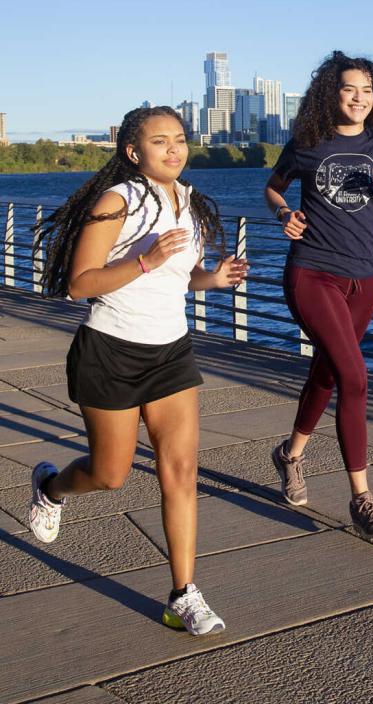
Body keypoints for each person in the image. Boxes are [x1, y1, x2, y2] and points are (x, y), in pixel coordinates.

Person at [27, 105, 248, 636]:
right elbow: (80, 283)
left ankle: (183, 595)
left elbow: (175, 278)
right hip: (111, 352)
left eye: (179, 139)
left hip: (170, 351)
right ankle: (52, 487)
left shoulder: (186, 202)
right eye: (159, 141)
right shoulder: (117, 200)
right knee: (111, 474)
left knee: (181, 473)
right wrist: (144, 260)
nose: (173, 149)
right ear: (133, 152)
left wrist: (209, 280)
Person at [264, 51, 373, 540]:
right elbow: (272, 188)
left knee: (329, 371)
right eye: (350, 89)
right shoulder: (308, 143)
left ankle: (289, 454)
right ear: (332, 93)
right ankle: (362, 499)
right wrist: (283, 213)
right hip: (312, 272)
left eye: (368, 91)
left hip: (365, 278)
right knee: (354, 376)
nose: (359, 98)